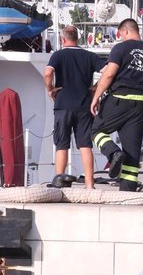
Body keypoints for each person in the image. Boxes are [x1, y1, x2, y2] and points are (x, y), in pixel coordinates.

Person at [90, 18, 143, 191]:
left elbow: (108, 75)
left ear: (125, 31)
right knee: (132, 151)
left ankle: (113, 153)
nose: (120, 38)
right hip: (140, 105)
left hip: (119, 98)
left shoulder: (120, 48)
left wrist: (96, 97)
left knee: (96, 130)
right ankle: (127, 194)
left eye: (120, 35)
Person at [43, 25, 102, 189]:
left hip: (63, 105)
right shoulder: (89, 56)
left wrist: (51, 89)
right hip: (84, 105)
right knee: (85, 145)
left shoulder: (58, 55)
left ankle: (59, 183)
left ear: (63, 39)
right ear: (78, 38)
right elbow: (107, 71)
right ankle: (90, 185)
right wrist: (96, 87)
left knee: (62, 144)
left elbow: (48, 73)